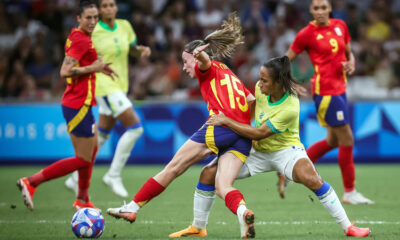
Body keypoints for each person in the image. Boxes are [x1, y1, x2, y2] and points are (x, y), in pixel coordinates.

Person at [169, 56, 371, 238]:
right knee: (208, 173)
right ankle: (198, 227)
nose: (259, 83)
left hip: (285, 152)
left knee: (313, 179)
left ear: (278, 83)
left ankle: (348, 227)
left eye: (265, 80)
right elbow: (253, 110)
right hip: (256, 150)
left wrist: (227, 122)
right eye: (260, 78)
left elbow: (260, 132)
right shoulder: (261, 88)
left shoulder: (290, 107)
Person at [106, 13, 257, 238]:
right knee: (221, 185)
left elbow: (203, 64)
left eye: (186, 61)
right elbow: (251, 100)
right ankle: (242, 213)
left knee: (173, 168)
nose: (185, 67)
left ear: (196, 58)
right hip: (243, 134)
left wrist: (200, 56)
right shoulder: (228, 72)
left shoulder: (206, 67)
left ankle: (132, 208)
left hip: (220, 127)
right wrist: (244, 124)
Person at [17, 0, 117, 210]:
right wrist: (93, 67)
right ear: (78, 18)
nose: (92, 21)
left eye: (95, 17)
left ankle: (82, 199)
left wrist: (98, 68)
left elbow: (83, 66)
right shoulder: (80, 40)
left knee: (90, 152)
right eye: (88, 17)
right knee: (83, 158)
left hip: (82, 103)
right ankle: (31, 182)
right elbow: (65, 71)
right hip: (78, 104)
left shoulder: (80, 37)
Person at [281, 0, 374, 204]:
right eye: (316, 8)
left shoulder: (341, 26)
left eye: (324, 7)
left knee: (333, 141)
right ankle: (349, 192)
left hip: (340, 89)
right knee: (347, 138)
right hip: (325, 92)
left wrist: (351, 64)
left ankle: (289, 169)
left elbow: (349, 55)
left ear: (330, 8)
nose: (320, 11)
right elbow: (285, 61)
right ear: (311, 11)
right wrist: (290, 84)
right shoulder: (306, 33)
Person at [64, 0, 151, 198]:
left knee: (102, 134)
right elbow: (77, 51)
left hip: (120, 85)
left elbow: (132, 49)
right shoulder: (92, 31)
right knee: (136, 128)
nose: (109, 8)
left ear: (117, 8)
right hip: (102, 84)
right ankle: (113, 175)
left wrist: (142, 50)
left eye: (111, 5)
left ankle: (75, 178)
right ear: (99, 11)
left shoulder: (125, 26)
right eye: (104, 6)